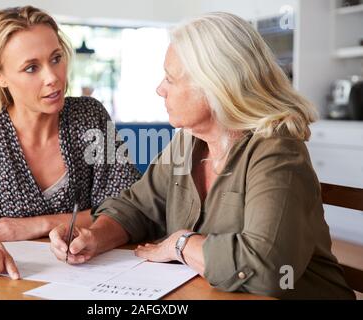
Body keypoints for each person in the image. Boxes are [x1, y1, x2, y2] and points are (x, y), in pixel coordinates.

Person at [49, 12, 356, 299]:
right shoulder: (189, 142)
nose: (160, 89)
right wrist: (94, 236)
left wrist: (181, 244)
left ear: (214, 86)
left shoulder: (277, 151)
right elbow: (138, 207)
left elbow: (267, 268)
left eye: (170, 78)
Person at [0, 6, 141, 280]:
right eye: (31, 68)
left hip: (89, 279)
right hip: (3, 285)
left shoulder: (89, 116)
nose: (52, 77)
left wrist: (35, 225)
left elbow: (129, 209)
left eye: (56, 58)